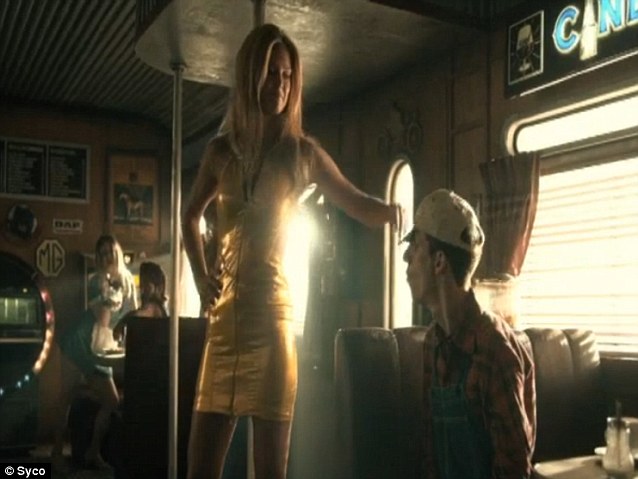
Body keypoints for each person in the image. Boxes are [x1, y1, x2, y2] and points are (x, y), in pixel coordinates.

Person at [182, 23, 403, 479]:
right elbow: (189, 216)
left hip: (272, 324)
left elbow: (355, 201)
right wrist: (202, 277)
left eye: (287, 76)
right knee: (199, 469)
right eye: (271, 73)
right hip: (222, 327)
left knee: (270, 472)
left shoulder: (303, 155)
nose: (280, 85)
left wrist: (394, 212)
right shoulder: (220, 152)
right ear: (250, 76)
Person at [402, 189, 536, 479]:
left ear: (439, 262)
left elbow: (513, 471)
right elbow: (431, 456)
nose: (405, 257)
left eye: (415, 246)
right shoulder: (432, 342)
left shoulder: (495, 351)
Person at [52, 234, 138, 471]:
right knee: (66, 396)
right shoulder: (96, 281)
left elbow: (132, 314)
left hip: (102, 346)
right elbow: (103, 318)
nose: (107, 257)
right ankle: (56, 453)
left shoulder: (128, 281)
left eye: (110, 251)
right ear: (98, 259)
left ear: (118, 252)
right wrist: (110, 292)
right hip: (79, 342)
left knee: (111, 401)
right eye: (102, 254)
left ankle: (93, 451)